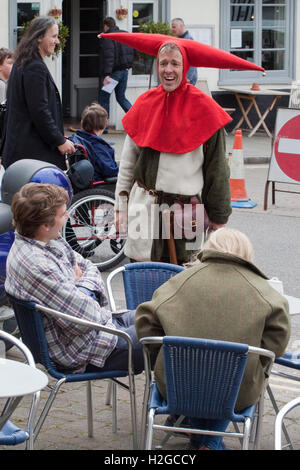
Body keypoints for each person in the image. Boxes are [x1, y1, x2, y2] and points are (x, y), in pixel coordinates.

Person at [99, 31, 264, 264]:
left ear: (185, 67)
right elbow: (127, 164)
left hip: (187, 212)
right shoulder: (144, 105)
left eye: (175, 64)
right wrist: (121, 208)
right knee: (141, 274)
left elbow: (217, 171)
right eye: (163, 63)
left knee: (184, 278)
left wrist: (219, 219)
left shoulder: (206, 109)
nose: (168, 70)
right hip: (143, 206)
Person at [135, 228, 291, 450]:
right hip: (238, 391)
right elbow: (278, 344)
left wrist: (159, 355)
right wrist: (258, 363)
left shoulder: (178, 282)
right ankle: (208, 441)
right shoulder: (266, 293)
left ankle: (196, 431)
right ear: (247, 253)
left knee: (195, 372)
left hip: (176, 385)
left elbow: (145, 323)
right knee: (229, 375)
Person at [5, 183, 144, 374]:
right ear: (45, 225)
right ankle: (174, 399)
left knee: (160, 314)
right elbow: (87, 319)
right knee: (166, 336)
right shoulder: (37, 265)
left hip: (96, 329)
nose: (68, 216)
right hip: (82, 350)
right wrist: (85, 289)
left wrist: (78, 287)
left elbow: (89, 266)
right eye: (63, 215)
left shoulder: (45, 239)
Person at [1, 16, 75, 170]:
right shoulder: (34, 67)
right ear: (39, 37)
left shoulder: (22, 62)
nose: (57, 41)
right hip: (33, 154)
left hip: (21, 153)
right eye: (53, 36)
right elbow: (39, 111)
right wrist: (59, 141)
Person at [68, 102, 119, 180]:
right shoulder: (97, 146)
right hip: (100, 183)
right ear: (104, 125)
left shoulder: (78, 138)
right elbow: (110, 172)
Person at [99, 17, 134, 123]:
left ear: (106, 26)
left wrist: (107, 75)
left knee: (104, 97)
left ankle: (103, 125)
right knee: (121, 97)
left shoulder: (109, 37)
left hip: (114, 73)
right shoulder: (125, 34)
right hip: (125, 71)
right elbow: (133, 51)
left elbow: (109, 57)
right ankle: (136, 118)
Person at [171, 18, 198, 85]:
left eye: (174, 27)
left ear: (181, 26)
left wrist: (187, 78)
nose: (172, 29)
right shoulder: (180, 39)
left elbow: (192, 61)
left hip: (187, 79)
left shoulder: (188, 40)